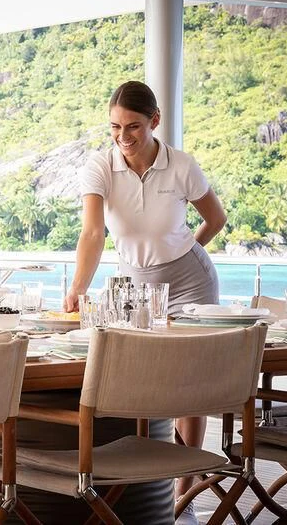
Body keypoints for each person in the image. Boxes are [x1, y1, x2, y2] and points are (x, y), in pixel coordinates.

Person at [64, 80, 227, 525]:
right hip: (136, 283)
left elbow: (216, 218)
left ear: (154, 121)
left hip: (191, 280)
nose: (124, 136)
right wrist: (79, 287)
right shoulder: (99, 166)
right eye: (115, 127)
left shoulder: (182, 166)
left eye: (133, 126)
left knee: (191, 385)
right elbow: (93, 233)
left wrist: (183, 248)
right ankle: (146, 478)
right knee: (150, 377)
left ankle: (185, 488)